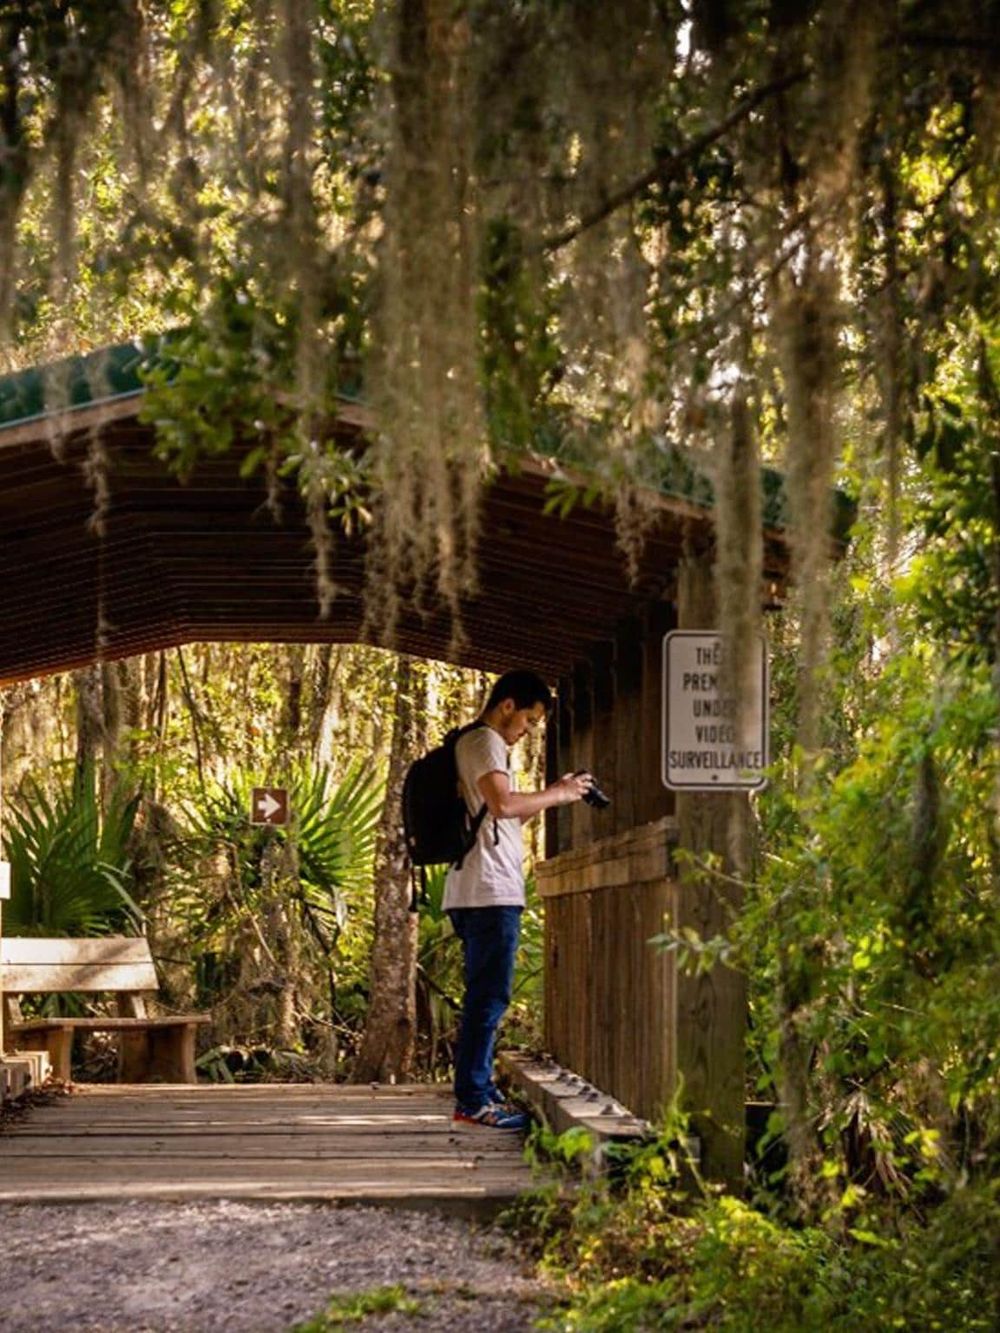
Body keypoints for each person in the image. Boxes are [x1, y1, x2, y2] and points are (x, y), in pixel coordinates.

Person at [445, 669, 592, 1130]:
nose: (527, 730)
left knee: (487, 995)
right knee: (488, 998)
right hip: (488, 891)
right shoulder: (485, 742)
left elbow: (502, 819)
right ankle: (472, 1100)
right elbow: (505, 806)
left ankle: (480, 1090)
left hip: (481, 886)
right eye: (528, 719)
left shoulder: (482, 747)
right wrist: (560, 793)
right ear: (507, 705)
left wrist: (552, 795)